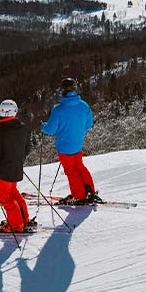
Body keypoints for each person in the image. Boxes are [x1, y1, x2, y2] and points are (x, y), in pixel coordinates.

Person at [40, 77, 102, 205]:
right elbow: (89, 123)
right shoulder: (84, 106)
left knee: (71, 171)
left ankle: (79, 195)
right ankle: (89, 191)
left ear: (62, 91)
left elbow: (51, 130)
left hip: (64, 147)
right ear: (75, 89)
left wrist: (43, 126)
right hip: (78, 144)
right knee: (80, 167)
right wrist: (78, 131)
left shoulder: (58, 109)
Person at [0, 99, 33, 234]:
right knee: (13, 194)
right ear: (15, 112)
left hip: (4, 172)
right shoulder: (23, 129)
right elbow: (27, 149)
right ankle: (24, 219)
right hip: (16, 168)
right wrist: (17, 158)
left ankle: (16, 225)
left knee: (6, 198)